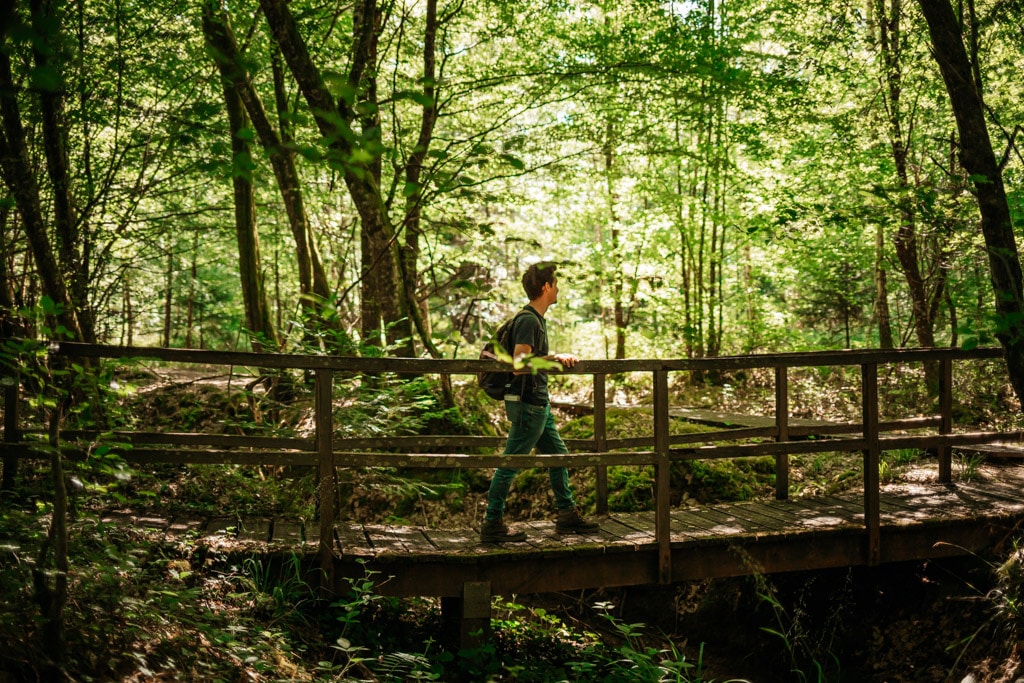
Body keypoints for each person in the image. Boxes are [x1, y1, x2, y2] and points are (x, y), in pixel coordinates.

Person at [480, 262, 601, 543]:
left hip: (538, 404)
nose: (558, 288)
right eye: (555, 283)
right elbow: (519, 365)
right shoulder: (529, 320)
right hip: (527, 404)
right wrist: (555, 357)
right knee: (510, 462)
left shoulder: (535, 319)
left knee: (559, 458)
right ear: (546, 287)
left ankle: (567, 514)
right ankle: (492, 522)